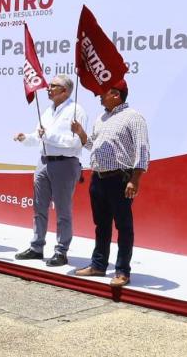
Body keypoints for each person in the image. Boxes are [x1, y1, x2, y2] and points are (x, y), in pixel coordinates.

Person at [70, 79, 150, 287]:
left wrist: (135, 180)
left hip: (119, 179)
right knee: (101, 225)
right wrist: (80, 133)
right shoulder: (102, 118)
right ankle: (98, 265)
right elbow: (92, 146)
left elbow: (142, 151)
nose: (99, 96)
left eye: (103, 93)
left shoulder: (133, 117)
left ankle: (123, 271)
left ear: (115, 94)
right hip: (98, 178)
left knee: (124, 226)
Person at [13, 74, 88, 267]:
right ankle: (37, 247)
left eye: (53, 86)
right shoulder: (48, 111)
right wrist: (26, 138)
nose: (48, 88)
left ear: (65, 91)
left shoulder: (76, 111)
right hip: (43, 162)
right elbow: (39, 136)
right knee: (39, 207)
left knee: (63, 209)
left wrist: (48, 136)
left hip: (65, 163)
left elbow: (75, 143)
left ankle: (61, 251)